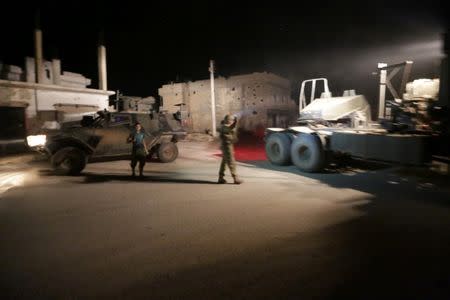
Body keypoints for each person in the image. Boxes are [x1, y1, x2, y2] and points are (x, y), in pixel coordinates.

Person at [218, 114, 242, 184]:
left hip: (227, 145)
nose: (232, 121)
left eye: (233, 120)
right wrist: (236, 122)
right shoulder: (225, 127)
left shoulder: (224, 126)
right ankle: (235, 178)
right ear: (228, 120)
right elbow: (230, 127)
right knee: (231, 162)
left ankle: (221, 178)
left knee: (224, 163)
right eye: (231, 119)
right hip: (227, 146)